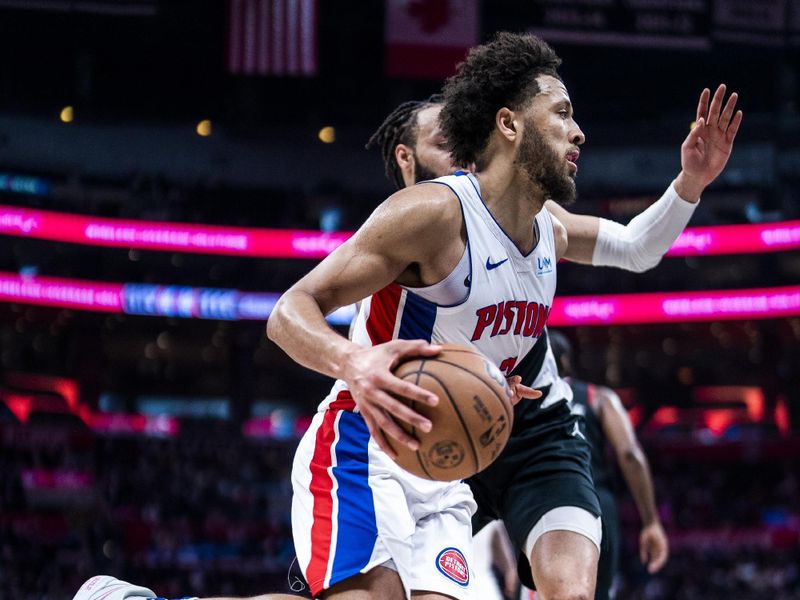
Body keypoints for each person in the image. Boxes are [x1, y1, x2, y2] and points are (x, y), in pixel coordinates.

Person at [75, 31, 741, 600]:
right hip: (366, 446)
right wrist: (354, 361)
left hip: (445, 466)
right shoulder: (432, 213)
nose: (579, 130)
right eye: (562, 113)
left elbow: (636, 248)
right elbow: (289, 311)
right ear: (510, 125)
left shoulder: (549, 227)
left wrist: (691, 185)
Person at [548, 330, 669, 600]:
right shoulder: (597, 397)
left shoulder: (522, 399)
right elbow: (630, 454)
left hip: (541, 501)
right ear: (566, 361)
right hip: (595, 503)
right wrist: (651, 521)